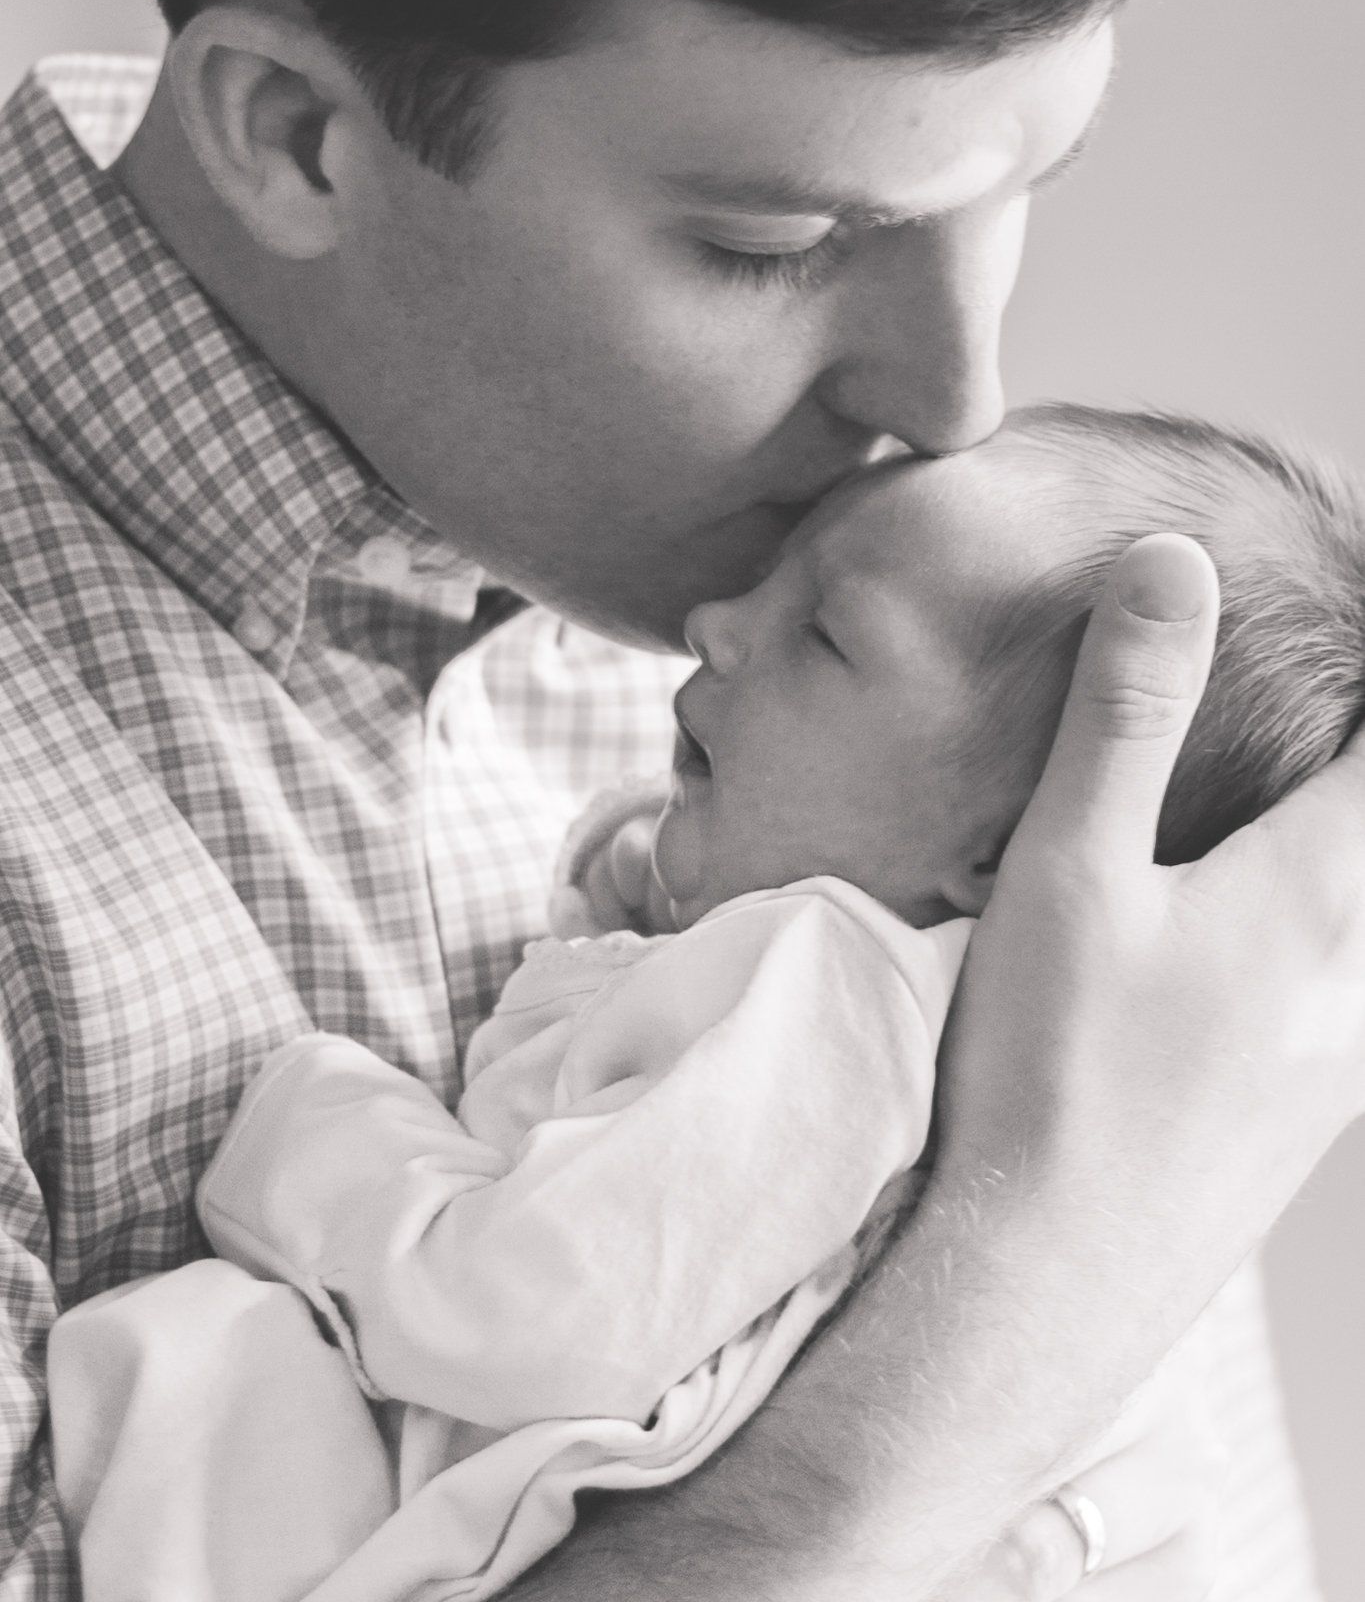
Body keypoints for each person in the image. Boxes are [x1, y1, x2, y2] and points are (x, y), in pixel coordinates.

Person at [1, 0, 1362, 1596]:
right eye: (771, 245)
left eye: (1013, 189)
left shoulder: (969, 679)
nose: (952, 396)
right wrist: (1033, 1276)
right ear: (295, 133)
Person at [48, 402, 1365, 1600]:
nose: (716, 628)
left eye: (826, 635)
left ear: (1011, 848)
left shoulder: (829, 978)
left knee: (192, 1359)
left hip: (483, 1523)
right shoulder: (1084, 1059)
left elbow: (523, 1308)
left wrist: (314, 1124)